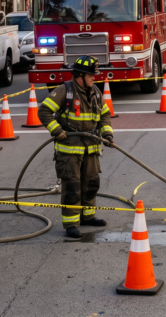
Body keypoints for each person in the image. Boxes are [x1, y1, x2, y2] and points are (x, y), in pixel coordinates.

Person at [38, 56, 113, 240]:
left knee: (91, 183)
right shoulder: (65, 91)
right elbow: (44, 111)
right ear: (81, 75)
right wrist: (57, 130)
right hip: (70, 150)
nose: (94, 78)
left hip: (91, 148)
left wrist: (107, 134)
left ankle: (87, 216)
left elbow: (104, 114)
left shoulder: (95, 91)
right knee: (72, 187)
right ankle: (71, 223)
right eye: (91, 75)